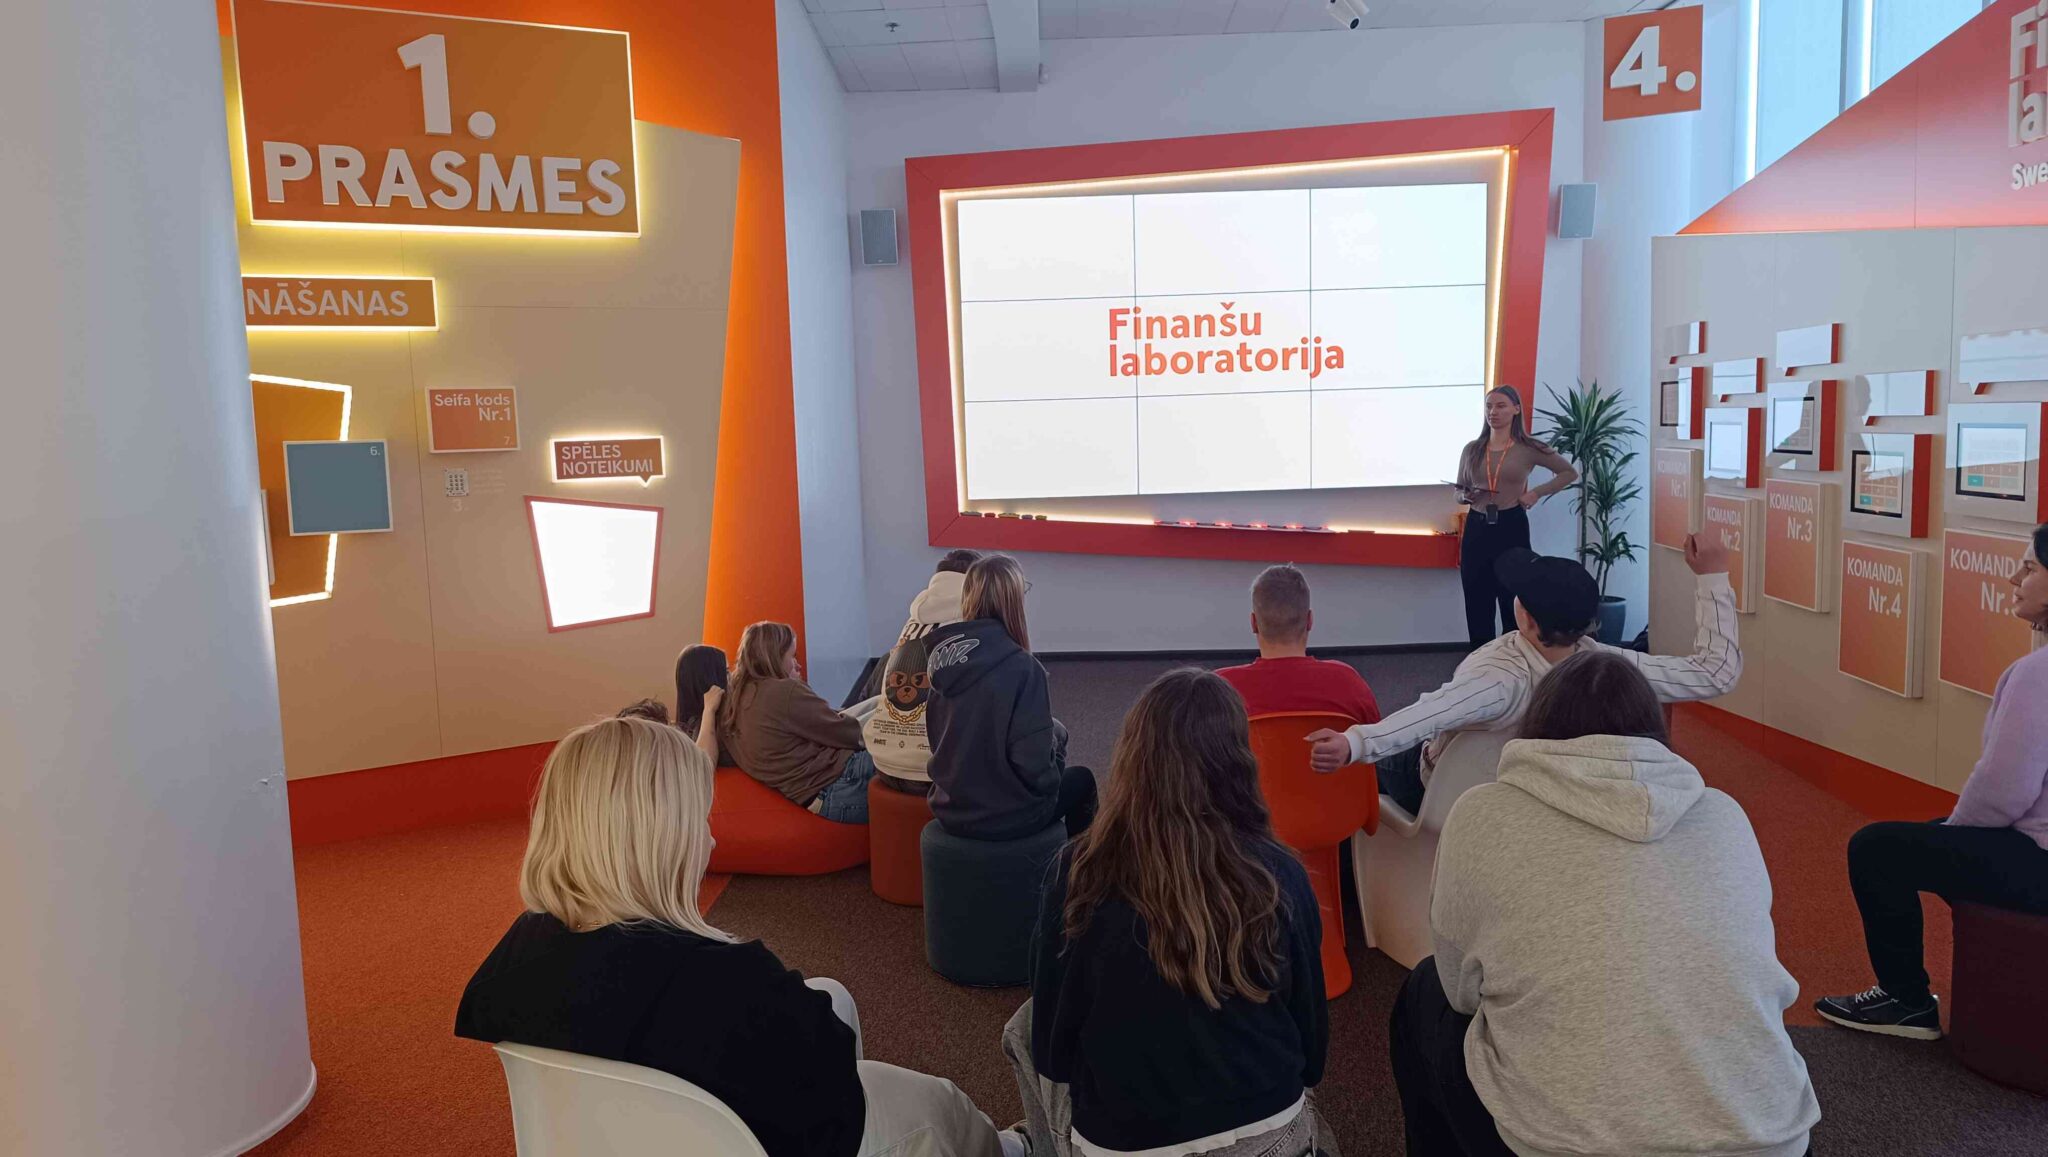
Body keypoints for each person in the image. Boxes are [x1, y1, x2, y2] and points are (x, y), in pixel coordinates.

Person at [455, 716, 1016, 1157]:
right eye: (700, 820)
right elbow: (830, 1079)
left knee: (833, 997)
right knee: (941, 1106)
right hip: (770, 1135)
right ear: (661, 840)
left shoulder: (514, 958)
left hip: (609, 1135)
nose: (711, 842)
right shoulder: (723, 981)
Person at [1390, 651, 1818, 1157]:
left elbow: (1460, 990)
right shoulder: (1725, 814)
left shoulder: (1482, 812)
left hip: (1558, 1147)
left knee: (1424, 992)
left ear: (1538, 725)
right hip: (1769, 1139)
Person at [1003, 668, 1335, 1157]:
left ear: (1132, 756)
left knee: (1024, 1026)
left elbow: (1053, 1055)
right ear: (1238, 760)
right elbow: (1312, 1053)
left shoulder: (1077, 871)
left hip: (1125, 1144)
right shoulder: (1279, 872)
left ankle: (1036, 1146)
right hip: (1271, 1134)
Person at [1815, 520, 2048, 1039]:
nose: (2014, 579)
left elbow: (2003, 792)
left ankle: (1906, 1000)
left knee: (1877, 849)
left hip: (2038, 863)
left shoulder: (2037, 674)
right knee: (1924, 838)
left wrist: (1952, 835)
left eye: (2029, 568)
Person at [1309, 535, 1740, 816]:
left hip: (1447, 793)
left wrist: (1354, 743)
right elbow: (1715, 673)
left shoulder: (1500, 678)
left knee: (1370, 773)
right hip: (1552, 800)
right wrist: (1713, 578)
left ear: (1526, 618)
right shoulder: (1607, 669)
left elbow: (1430, 713)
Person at [927, 555, 1097, 839]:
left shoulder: (941, 662)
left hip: (949, 810)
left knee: (1054, 731)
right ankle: (1069, 862)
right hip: (1005, 818)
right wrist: (1056, 758)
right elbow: (1036, 771)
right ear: (1015, 601)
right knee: (1083, 780)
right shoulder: (1024, 668)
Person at [1452, 386, 1577, 648]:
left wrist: (1536, 493)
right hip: (1477, 526)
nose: (1493, 412)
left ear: (1516, 409)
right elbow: (1458, 490)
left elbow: (1568, 473)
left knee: (1514, 597)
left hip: (1511, 525)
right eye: (1489, 406)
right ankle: (1481, 659)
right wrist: (1464, 496)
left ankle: (1516, 657)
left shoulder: (1528, 447)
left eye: (1500, 406)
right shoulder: (1472, 449)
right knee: (1476, 598)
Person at [718, 621, 878, 824]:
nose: (798, 664)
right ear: (775, 656)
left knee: (880, 703)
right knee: (906, 746)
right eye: (792, 656)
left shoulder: (733, 700)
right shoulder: (783, 692)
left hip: (811, 796)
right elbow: (849, 734)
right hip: (842, 781)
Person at [1215, 563, 1381, 726]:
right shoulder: (1348, 683)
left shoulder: (1219, 689)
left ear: (1253, 623)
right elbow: (1377, 739)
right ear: (1310, 621)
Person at [851, 549, 983, 706]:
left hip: (884, 715)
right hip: (941, 716)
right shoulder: (973, 619)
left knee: (887, 658)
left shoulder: (917, 613)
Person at [671, 643, 727, 764]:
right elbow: (704, 765)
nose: (731, 677)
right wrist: (709, 711)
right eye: (726, 672)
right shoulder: (702, 724)